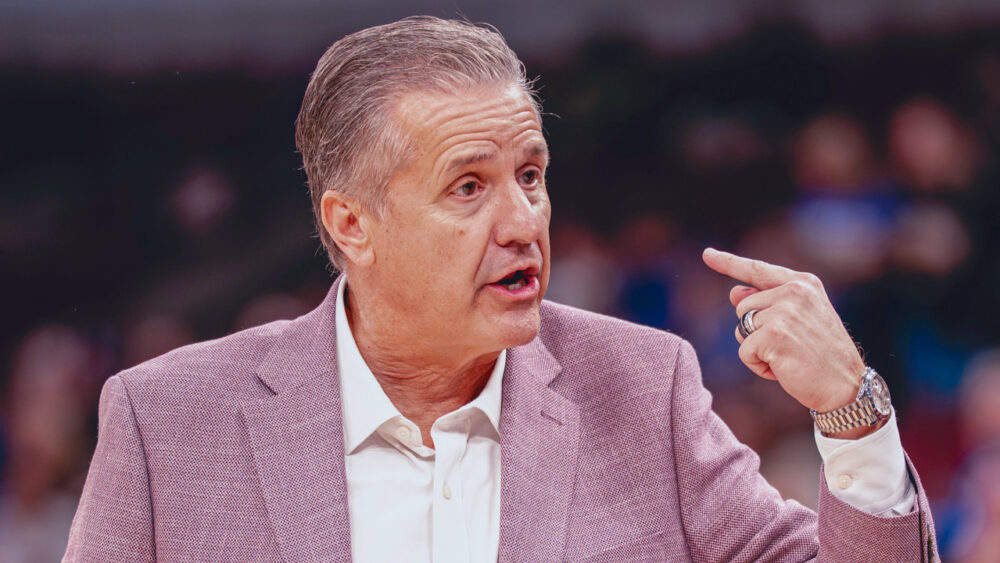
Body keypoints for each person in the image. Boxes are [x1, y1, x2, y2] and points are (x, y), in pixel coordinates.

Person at [64, 16, 939, 562]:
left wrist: (850, 411)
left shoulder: (643, 387)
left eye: (531, 173)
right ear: (350, 225)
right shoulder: (165, 423)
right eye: (469, 186)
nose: (523, 220)